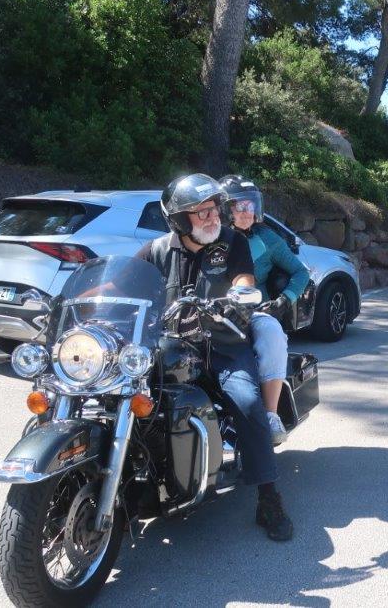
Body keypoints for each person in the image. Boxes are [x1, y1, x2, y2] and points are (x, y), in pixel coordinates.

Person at [136, 173, 293, 541]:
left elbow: (244, 281)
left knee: (248, 402)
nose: (212, 217)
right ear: (178, 220)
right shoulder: (156, 251)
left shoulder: (232, 242)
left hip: (223, 345)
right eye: (201, 212)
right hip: (169, 351)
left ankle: (268, 496)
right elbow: (120, 285)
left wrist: (239, 295)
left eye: (213, 209)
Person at [219, 174, 310, 446]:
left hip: (253, 311)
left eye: (250, 205)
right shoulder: (212, 237)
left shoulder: (266, 239)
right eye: (240, 206)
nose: (247, 212)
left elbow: (300, 272)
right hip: (213, 312)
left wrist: (283, 300)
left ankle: (270, 415)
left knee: (273, 335)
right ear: (225, 209)